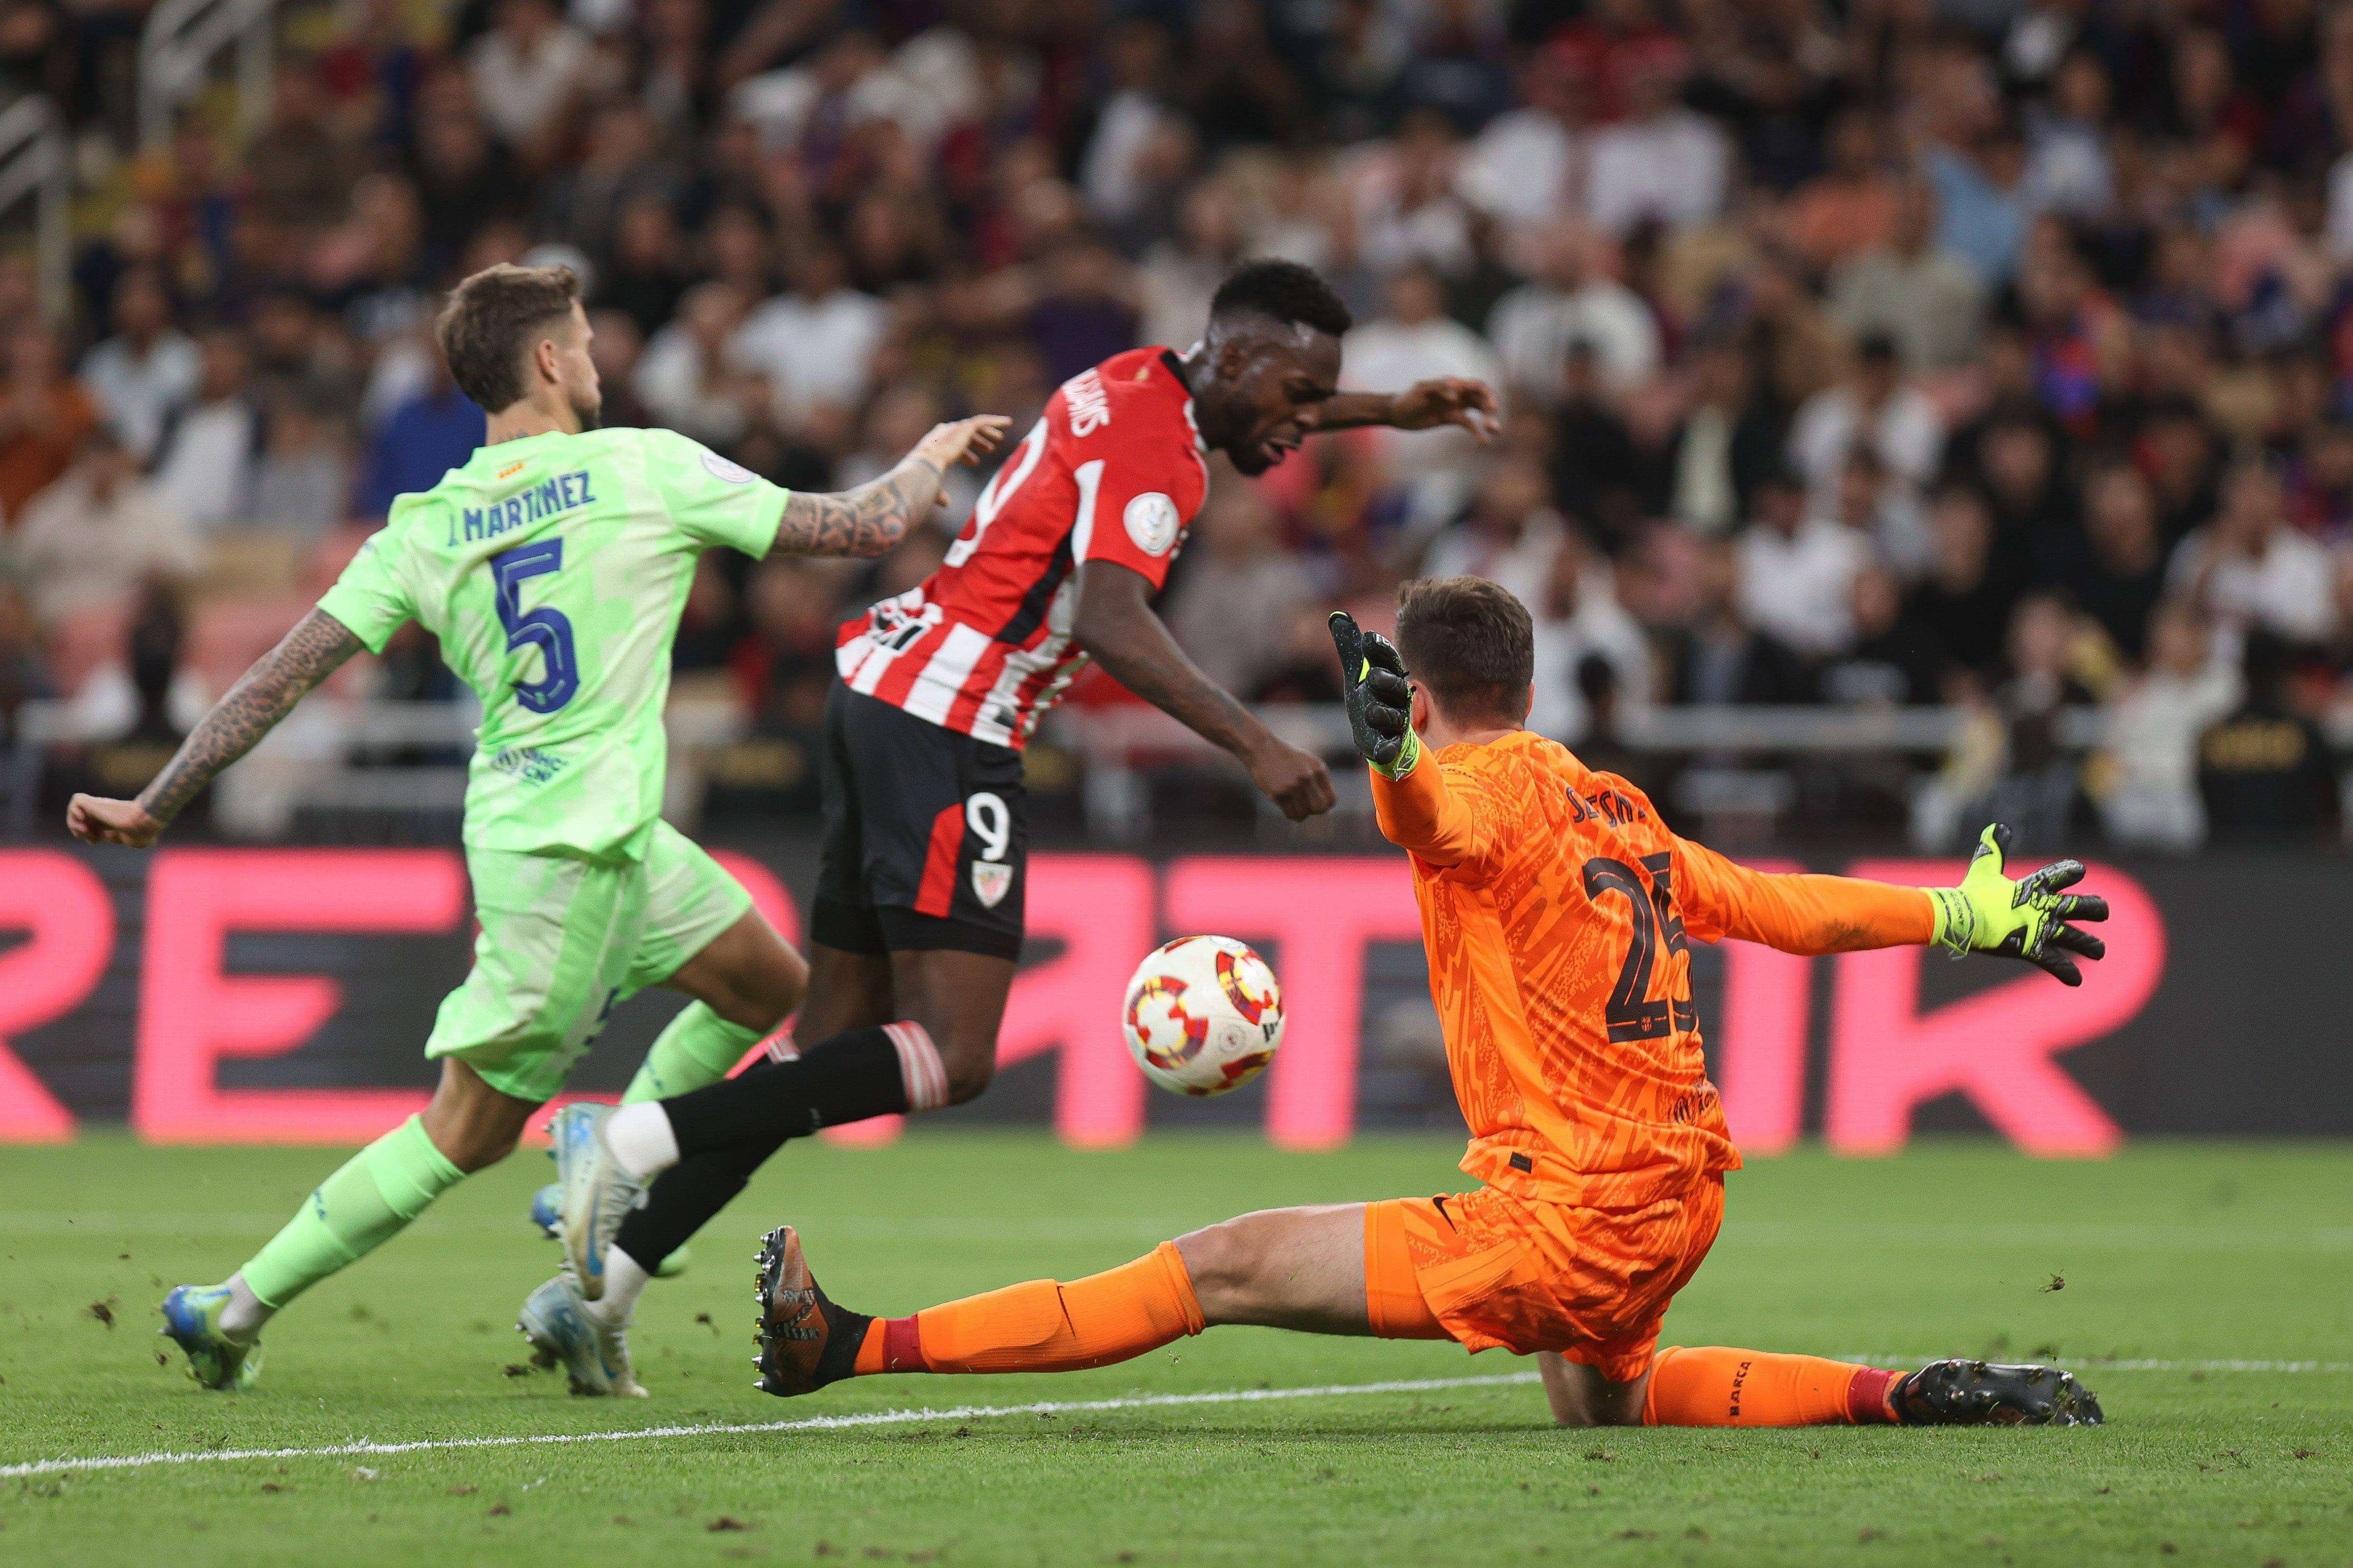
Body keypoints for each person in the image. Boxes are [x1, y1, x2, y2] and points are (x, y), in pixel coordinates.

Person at [744, 577, 2110, 1433]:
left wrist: (1390, 752)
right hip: (1679, 1202)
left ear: (1428, 688)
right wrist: (1959, 913)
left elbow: (1429, 813)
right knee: (1598, 1400)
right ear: (1523, 686)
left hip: (1568, 1212)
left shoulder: (1477, 796)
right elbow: (1777, 904)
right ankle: (1905, 1393)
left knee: (1215, 1265)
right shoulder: (1611, 803)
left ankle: (849, 1347)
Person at [538, 260, 1501, 1380]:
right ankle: (626, 1142)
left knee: (824, 1051)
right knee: (953, 1058)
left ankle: (602, 1295)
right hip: (954, 719)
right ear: (1235, 363)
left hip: (886, 682)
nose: (1301, 422)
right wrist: (1258, 743)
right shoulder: (1160, 450)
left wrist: (1386, 409)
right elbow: (1107, 617)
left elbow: (1256, 402)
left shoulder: (1140, 377)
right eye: (1298, 393)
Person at [64, 262, 1007, 1396]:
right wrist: (932, 450)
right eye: (591, 345)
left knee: (769, 987)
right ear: (551, 360)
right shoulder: (643, 466)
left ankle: (605, 1169)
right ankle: (238, 1304)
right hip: (571, 857)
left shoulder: (426, 525)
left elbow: (280, 674)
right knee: (466, 1129)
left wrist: (160, 797)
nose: (604, 364)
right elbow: (865, 526)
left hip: (583, 834)